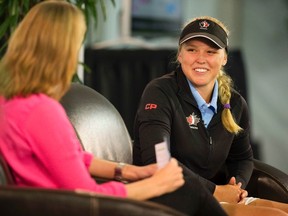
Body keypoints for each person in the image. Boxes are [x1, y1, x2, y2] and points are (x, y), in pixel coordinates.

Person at [0, 1, 229, 216]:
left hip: (58, 202)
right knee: (189, 190)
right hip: (71, 208)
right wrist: (154, 184)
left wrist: (128, 171)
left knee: (187, 188)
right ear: (61, 52)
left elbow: (73, 158)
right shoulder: (42, 111)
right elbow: (88, 196)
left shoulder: (12, 100)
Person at [133, 16, 288, 215]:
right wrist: (215, 191)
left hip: (214, 198)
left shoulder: (235, 103)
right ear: (180, 55)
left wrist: (236, 186)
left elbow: (242, 157)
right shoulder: (159, 92)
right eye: (192, 50)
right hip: (168, 198)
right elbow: (158, 160)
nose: (201, 58)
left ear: (224, 58)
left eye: (211, 51)